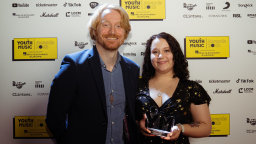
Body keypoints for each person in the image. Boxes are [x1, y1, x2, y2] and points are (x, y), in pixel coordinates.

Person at [45, 4, 140, 144]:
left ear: (125, 33)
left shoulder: (132, 69)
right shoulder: (74, 65)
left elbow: (130, 118)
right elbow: (54, 118)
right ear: (94, 31)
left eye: (119, 26)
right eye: (106, 25)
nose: (113, 31)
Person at [136, 32, 212, 144]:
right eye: (155, 52)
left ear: (175, 54)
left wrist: (181, 128)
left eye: (166, 50)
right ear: (149, 56)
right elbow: (121, 119)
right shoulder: (136, 85)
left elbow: (206, 128)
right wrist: (138, 125)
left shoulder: (191, 88)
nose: (160, 56)